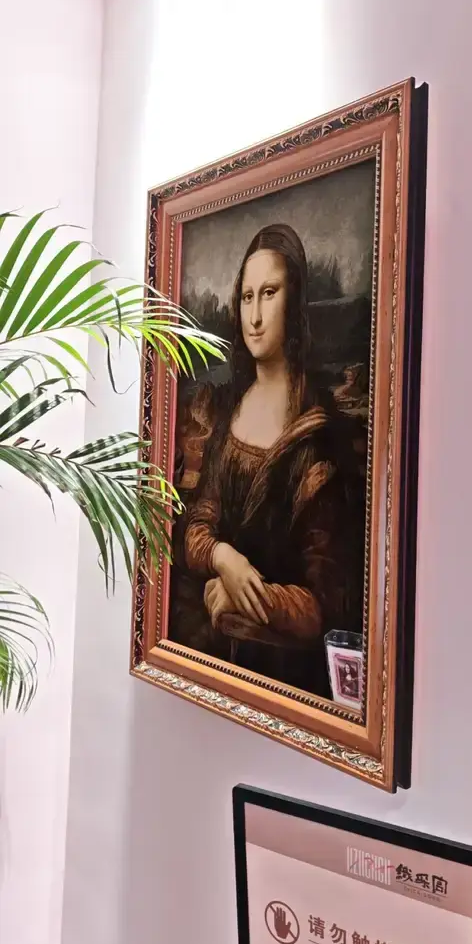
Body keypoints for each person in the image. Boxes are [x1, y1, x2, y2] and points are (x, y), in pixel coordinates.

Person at [169, 223, 365, 697]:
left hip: (287, 680)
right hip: (213, 669)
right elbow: (199, 520)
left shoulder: (319, 435)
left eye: (269, 294)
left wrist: (240, 595)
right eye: (246, 297)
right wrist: (224, 558)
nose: (254, 316)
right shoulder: (229, 408)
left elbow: (325, 606)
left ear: (293, 302)